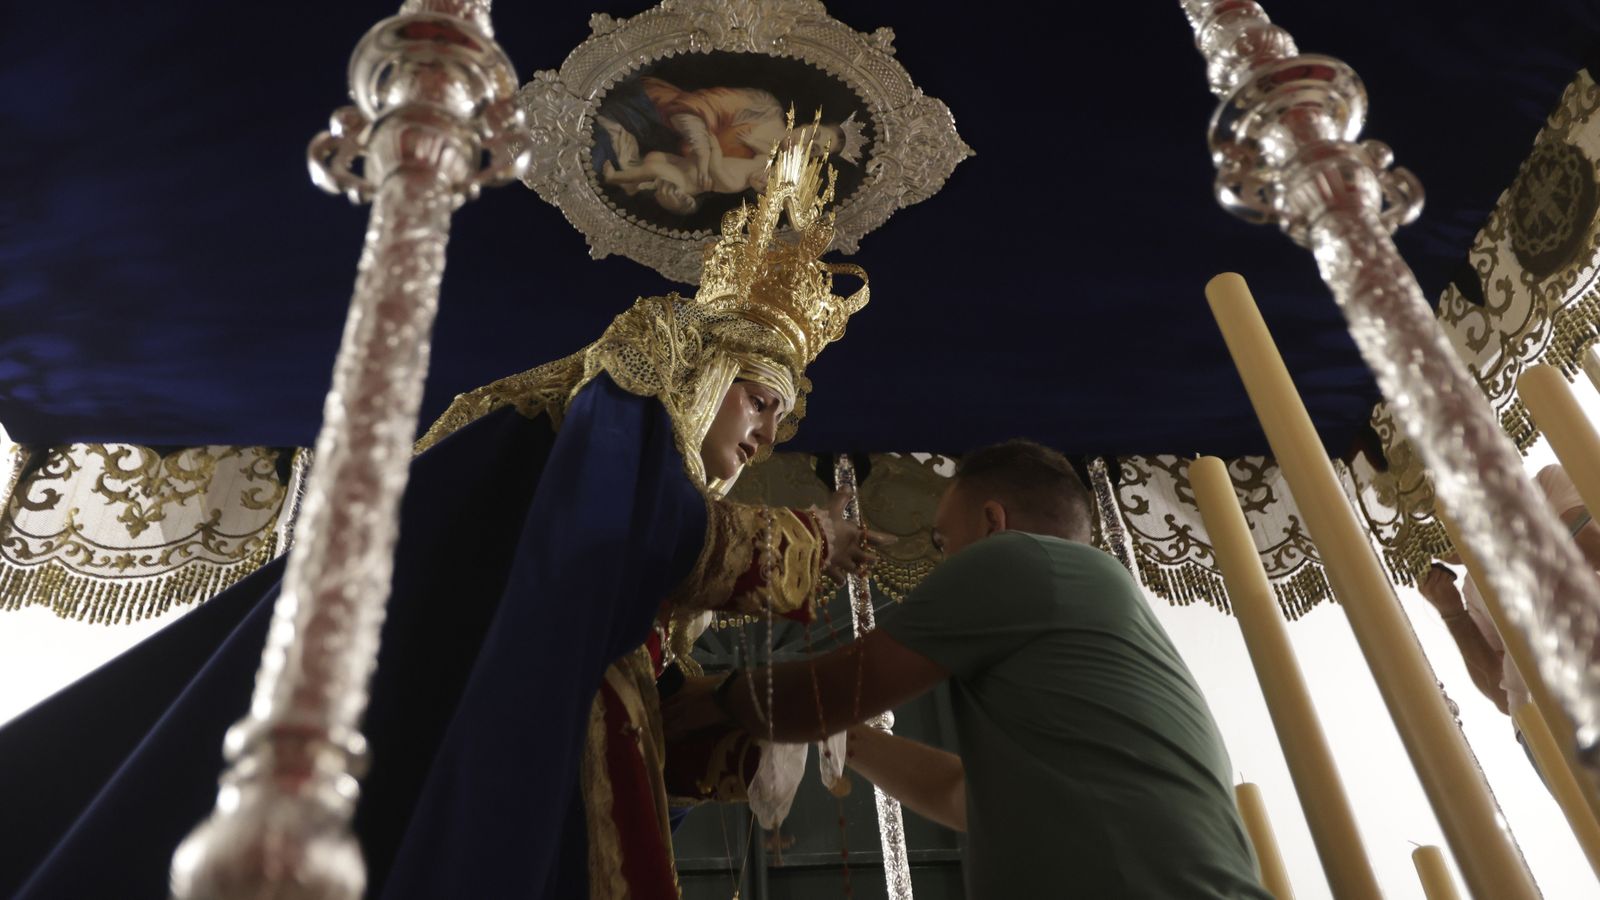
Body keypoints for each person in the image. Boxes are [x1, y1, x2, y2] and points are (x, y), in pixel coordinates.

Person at [0, 138, 873, 900]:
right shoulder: (621, 406)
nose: (763, 439)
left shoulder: (636, 535)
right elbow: (620, 529)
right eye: (760, 404)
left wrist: (731, 721)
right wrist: (805, 541)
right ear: (708, 376)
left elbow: (607, 657)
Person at [667, 439, 1271, 898]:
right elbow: (962, 796)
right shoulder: (1086, 594)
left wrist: (694, 699)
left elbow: (830, 691)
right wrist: (847, 742)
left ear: (992, 520)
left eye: (940, 541)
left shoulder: (1017, 560)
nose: (943, 561)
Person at [1419, 464, 1597, 740]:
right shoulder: (1473, 591)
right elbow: (1503, 696)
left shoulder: (1545, 487)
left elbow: (1590, 549)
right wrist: (1453, 614)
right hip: (1548, 723)